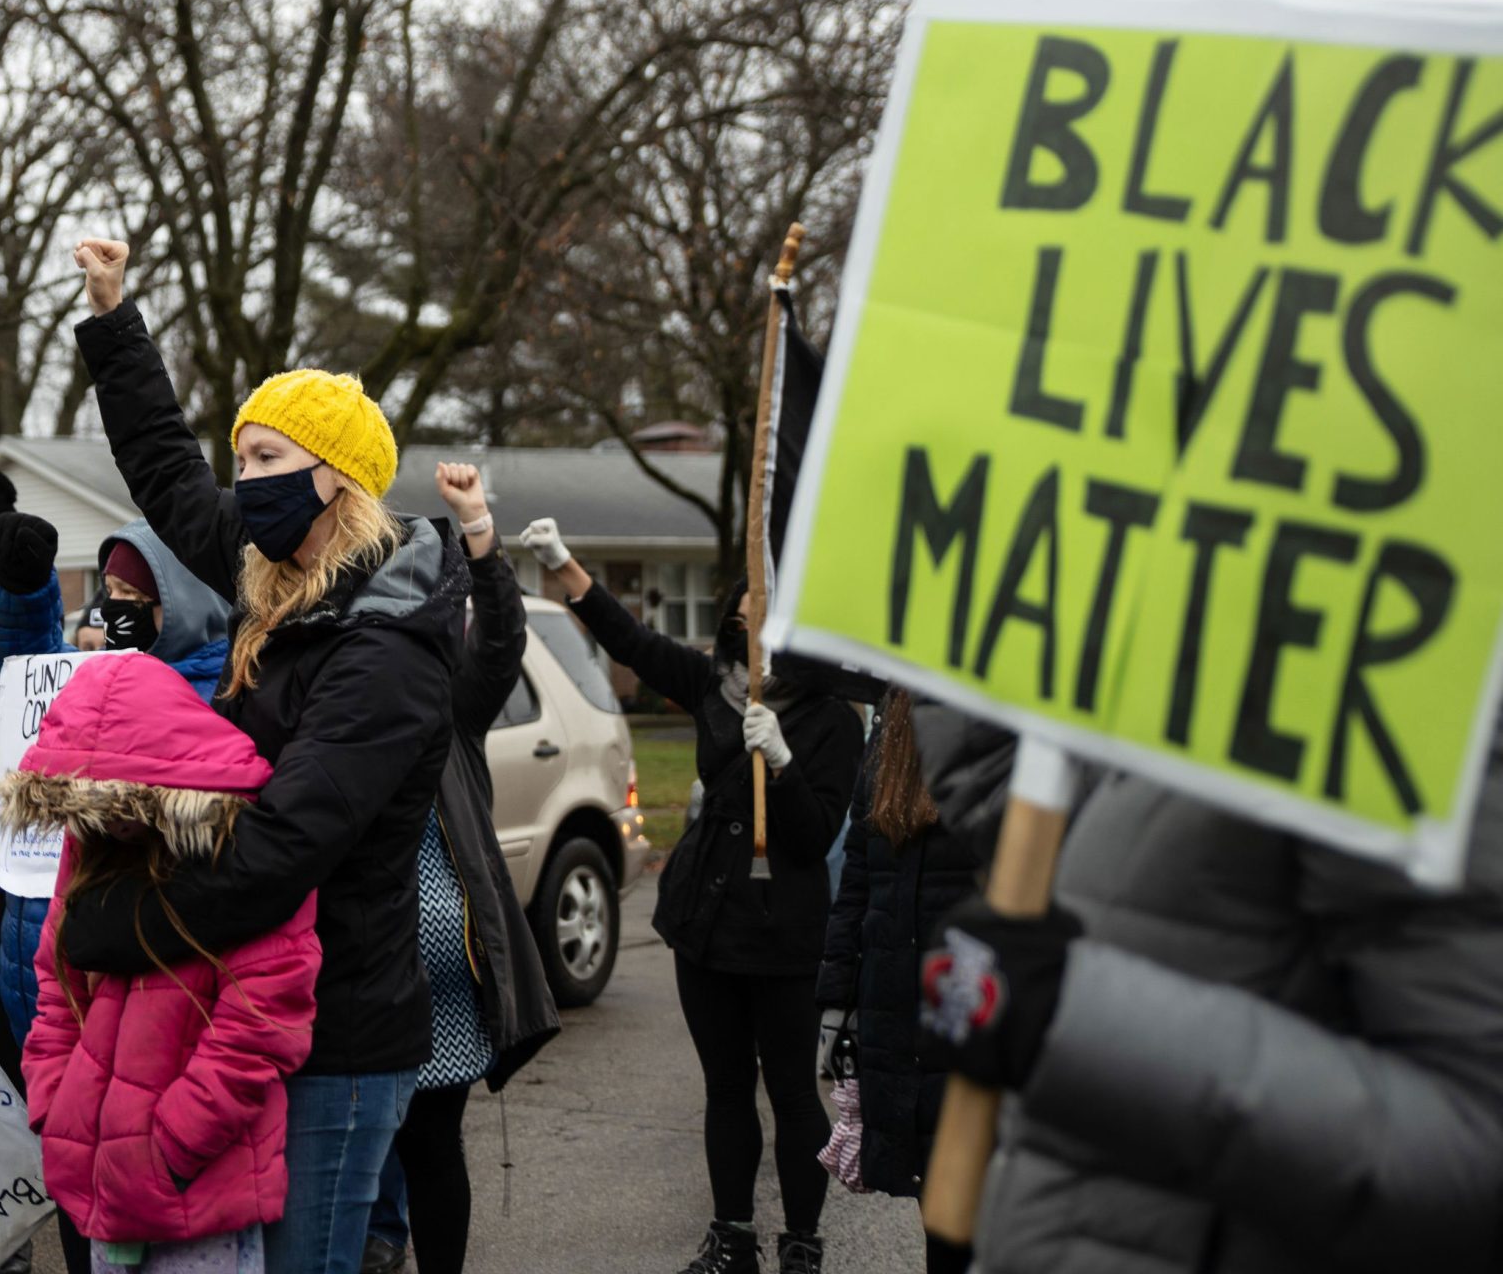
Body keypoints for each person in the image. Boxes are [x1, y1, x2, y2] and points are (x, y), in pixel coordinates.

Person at [50, 237, 469, 1274]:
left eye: (268, 461)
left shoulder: (386, 645)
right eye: (244, 460)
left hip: (340, 1032)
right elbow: (168, 476)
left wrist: (130, 923)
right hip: (260, 997)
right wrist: (112, 319)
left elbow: (286, 840)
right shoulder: (285, 584)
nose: (245, 484)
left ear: (336, 479)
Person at [910, 713, 1503, 1274]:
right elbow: (1019, 804)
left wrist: (1071, 1013)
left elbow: (1472, 1148)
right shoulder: (1197, 655)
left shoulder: (1399, 701)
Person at [520, 520, 861, 1274]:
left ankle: (802, 1246)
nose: (751, 634)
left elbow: (812, 835)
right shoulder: (715, 685)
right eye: (742, 620)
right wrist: (563, 565)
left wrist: (783, 759)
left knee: (793, 1095)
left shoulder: (832, 718)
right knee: (726, 1089)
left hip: (784, 935)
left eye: (767, 621)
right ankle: (731, 1237)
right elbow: (633, 643)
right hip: (705, 926)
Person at [0, 502, 235, 1274]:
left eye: (136, 606)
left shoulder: (219, 702)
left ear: (182, 606)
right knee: (84, 1206)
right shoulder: (97, 683)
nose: (116, 620)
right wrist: (20, 591)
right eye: (108, 604)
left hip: (144, 1016)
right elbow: (28, 681)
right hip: (51, 997)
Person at [7, 653, 322, 1274]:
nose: (110, 817)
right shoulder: (93, 838)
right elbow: (55, 981)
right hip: (102, 1170)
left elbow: (260, 1022)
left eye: (118, 796)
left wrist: (170, 1147)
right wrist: (56, 1103)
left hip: (198, 1183)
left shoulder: (239, 849)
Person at [366, 464, 564, 1274]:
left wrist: (478, 527)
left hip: (437, 969)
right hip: (356, 963)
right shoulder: (340, 692)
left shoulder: (452, 703)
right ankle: (377, 1246)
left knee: (429, 1143)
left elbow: (504, 641)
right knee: (364, 1147)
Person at [811, 689, 978, 1236]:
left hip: (974, 1013)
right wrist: (838, 1000)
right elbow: (859, 870)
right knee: (939, 1212)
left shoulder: (1011, 720)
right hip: (898, 1015)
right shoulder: (896, 715)